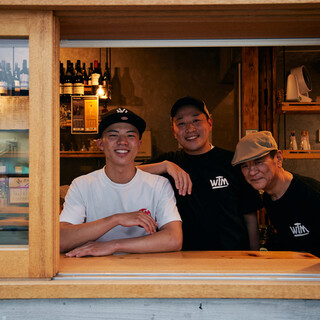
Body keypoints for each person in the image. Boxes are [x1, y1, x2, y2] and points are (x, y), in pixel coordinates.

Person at [139, 96, 261, 251]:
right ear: (173, 131)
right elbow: (126, 174)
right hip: (185, 262)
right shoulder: (168, 163)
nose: (190, 128)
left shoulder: (233, 162)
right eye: (181, 123)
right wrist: (164, 166)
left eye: (196, 120)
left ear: (210, 123)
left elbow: (250, 216)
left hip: (232, 260)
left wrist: (255, 259)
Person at [60, 107, 182, 257]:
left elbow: (174, 239)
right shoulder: (82, 185)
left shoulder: (159, 185)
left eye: (130, 136)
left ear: (139, 144)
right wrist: (115, 219)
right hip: (94, 272)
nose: (122, 142)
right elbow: (61, 239)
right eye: (113, 135)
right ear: (100, 144)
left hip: (146, 270)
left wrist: (113, 245)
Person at [232, 130, 320, 257]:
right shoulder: (269, 197)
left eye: (258, 162)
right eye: (245, 166)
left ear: (278, 158)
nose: (251, 172)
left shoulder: (311, 195)